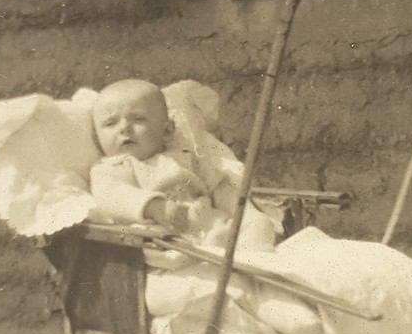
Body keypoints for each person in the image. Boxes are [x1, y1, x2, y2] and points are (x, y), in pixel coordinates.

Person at [89, 78, 276, 248]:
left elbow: (219, 188)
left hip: (214, 226)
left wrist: (241, 212)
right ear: (98, 137)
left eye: (138, 119)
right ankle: (232, 264)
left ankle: (251, 263)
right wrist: (155, 207)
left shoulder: (185, 157)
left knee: (260, 223)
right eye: (110, 123)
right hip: (169, 237)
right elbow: (113, 196)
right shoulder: (111, 168)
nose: (124, 128)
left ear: (168, 130)